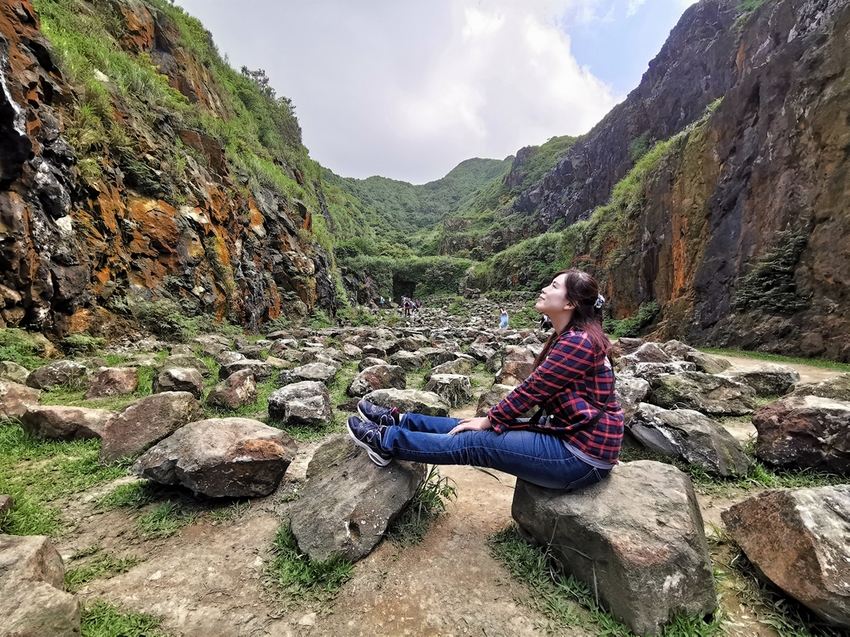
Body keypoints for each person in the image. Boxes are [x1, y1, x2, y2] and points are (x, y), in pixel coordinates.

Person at [347, 269, 624, 491]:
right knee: (467, 425)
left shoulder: (578, 341)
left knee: (474, 442)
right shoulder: (574, 336)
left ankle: (386, 442)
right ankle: (400, 422)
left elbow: (533, 391)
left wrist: (491, 419)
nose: (544, 288)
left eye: (553, 286)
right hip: (568, 434)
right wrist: (488, 419)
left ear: (569, 303)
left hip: (580, 455)